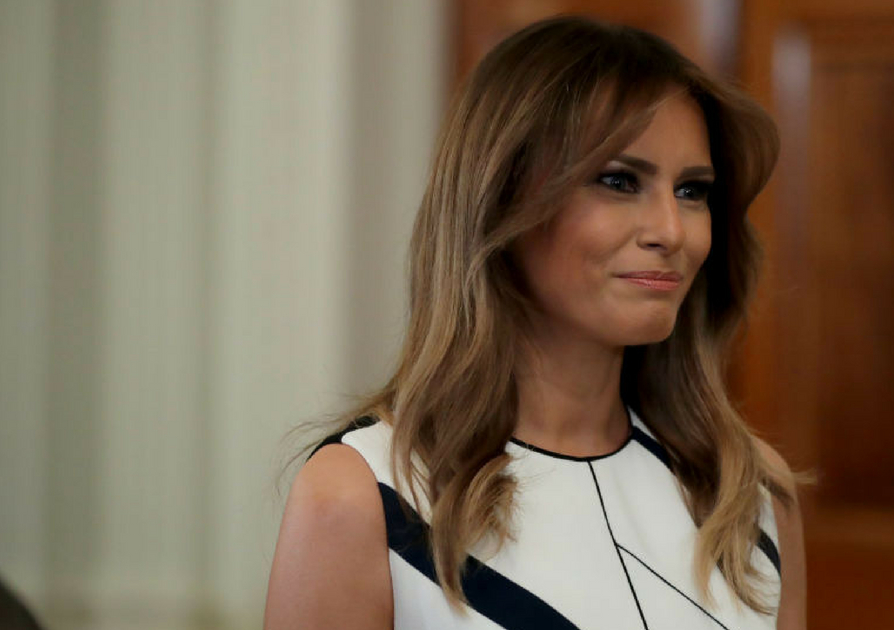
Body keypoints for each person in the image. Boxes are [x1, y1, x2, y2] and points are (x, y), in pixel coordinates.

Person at [264, 15, 806, 630]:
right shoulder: (365, 494)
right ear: (500, 199)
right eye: (619, 181)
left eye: (692, 191)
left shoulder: (748, 490)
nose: (671, 232)